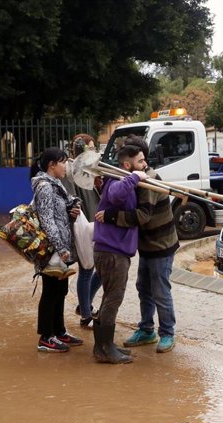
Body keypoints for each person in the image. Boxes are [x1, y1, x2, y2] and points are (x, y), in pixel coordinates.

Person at [96, 135, 179, 354]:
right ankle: (146, 329)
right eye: (141, 161)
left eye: (144, 160)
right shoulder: (130, 176)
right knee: (144, 288)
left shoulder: (147, 180)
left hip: (161, 243)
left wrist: (112, 216)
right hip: (146, 244)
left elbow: (142, 216)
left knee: (160, 290)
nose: (145, 164)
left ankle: (167, 333)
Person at [93, 144, 148, 364]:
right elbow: (116, 195)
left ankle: (104, 345)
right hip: (112, 252)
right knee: (113, 299)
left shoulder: (119, 180)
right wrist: (134, 178)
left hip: (113, 251)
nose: (145, 164)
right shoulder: (117, 181)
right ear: (127, 165)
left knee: (109, 298)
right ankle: (104, 349)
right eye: (140, 161)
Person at [30, 147, 84, 353]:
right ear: (52, 166)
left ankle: (59, 331)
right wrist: (61, 247)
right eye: (63, 162)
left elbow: (59, 214)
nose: (66, 166)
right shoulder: (44, 187)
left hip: (59, 248)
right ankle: (45, 337)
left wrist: (71, 211)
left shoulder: (56, 185)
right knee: (50, 291)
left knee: (60, 289)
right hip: (51, 249)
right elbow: (47, 220)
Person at [62, 134, 101, 328]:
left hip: (97, 222)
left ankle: (84, 304)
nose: (93, 151)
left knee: (100, 268)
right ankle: (85, 314)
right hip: (83, 226)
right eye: (90, 148)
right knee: (87, 269)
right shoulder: (71, 170)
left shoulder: (92, 168)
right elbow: (72, 199)